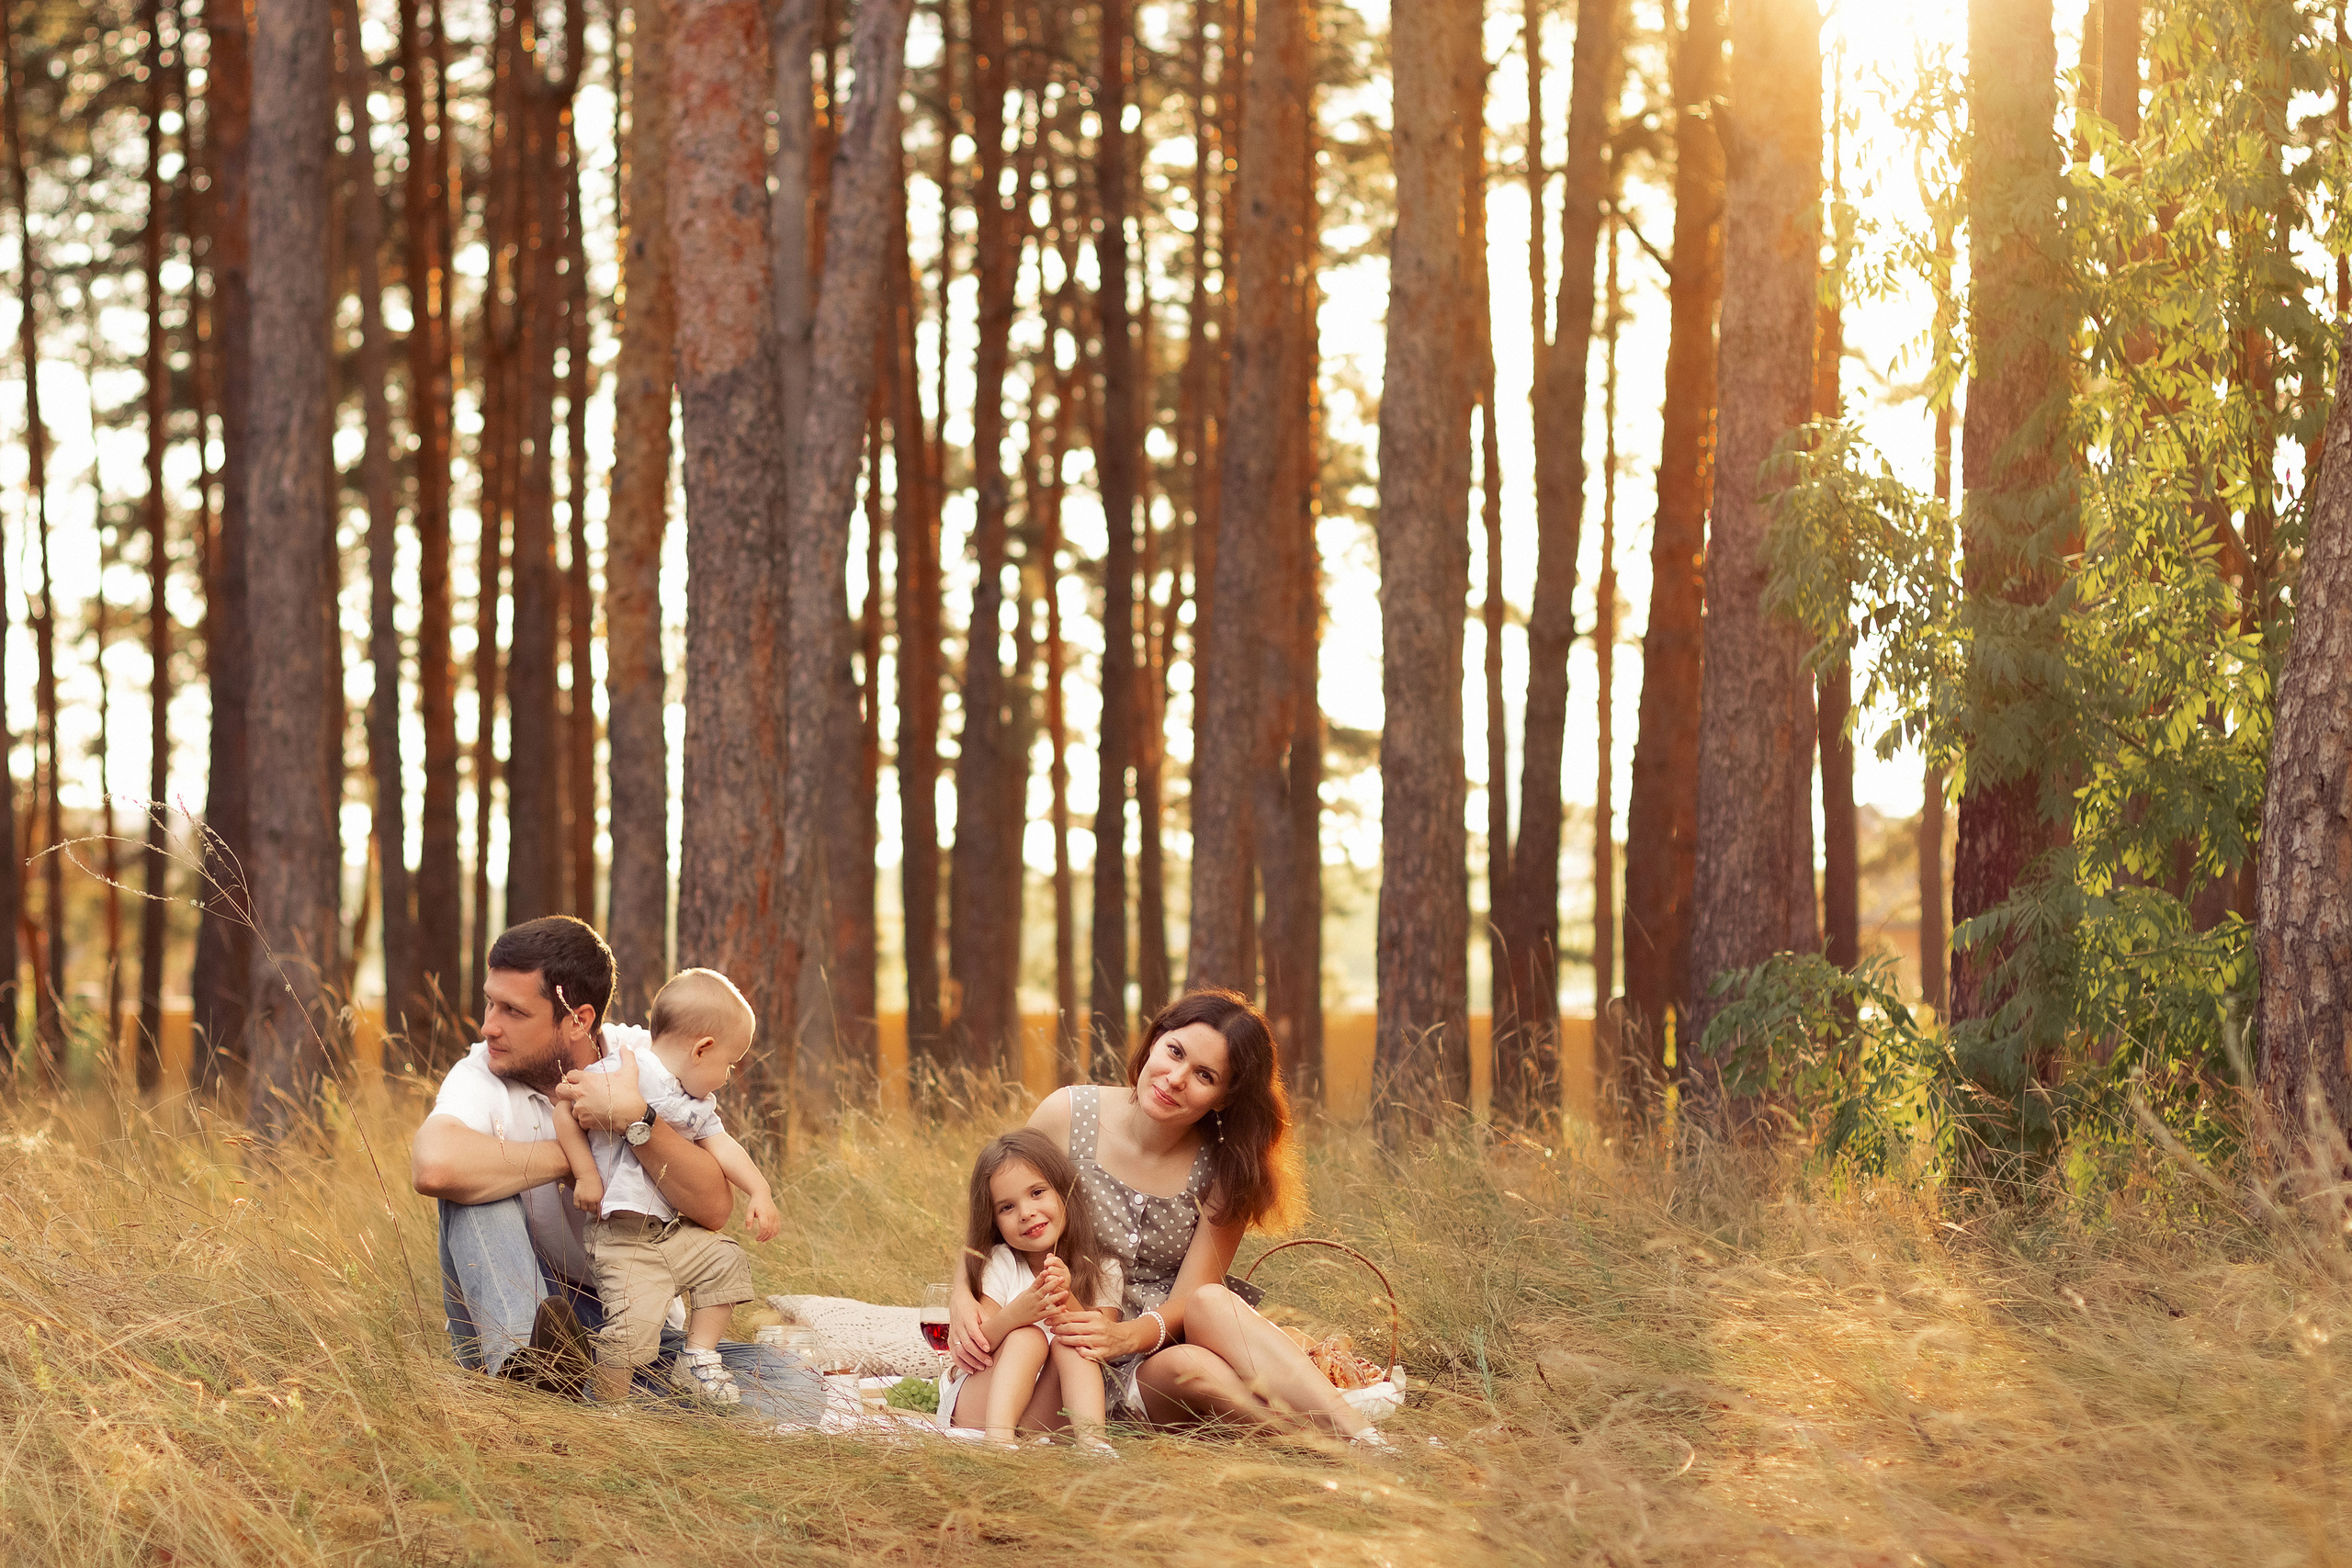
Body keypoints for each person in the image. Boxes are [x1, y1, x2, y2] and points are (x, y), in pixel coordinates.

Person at [409, 916, 819, 1422]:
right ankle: (532, 1367)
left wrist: (638, 1119)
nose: (489, 1024)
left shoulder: (652, 1061)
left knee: (794, 1382)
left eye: (513, 1010)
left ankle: (582, 1403)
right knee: (470, 1193)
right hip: (521, 1307)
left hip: (632, 1319)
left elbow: (713, 1207)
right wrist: (585, 1154)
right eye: (491, 1002)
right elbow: (433, 1167)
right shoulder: (482, 1070)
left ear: (578, 1020)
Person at [945, 989, 1386, 1444]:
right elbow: (995, 1216)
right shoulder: (1068, 1114)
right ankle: (1319, 1444)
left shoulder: (1226, 1168)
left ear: (1223, 1098)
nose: (1176, 1078)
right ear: (1155, 1040)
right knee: (1190, 1368)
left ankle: (1363, 1440)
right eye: (1175, 1052)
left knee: (1208, 1312)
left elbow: (1192, 1299)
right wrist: (961, 1294)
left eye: (1205, 1075)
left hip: (1151, 1362)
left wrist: (1125, 1338)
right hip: (1063, 1358)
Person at [558, 968, 783, 1405]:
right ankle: (607, 1411)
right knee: (632, 1330)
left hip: (670, 1234)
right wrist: (585, 1174)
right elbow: (564, 1107)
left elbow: (724, 1146)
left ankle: (697, 1357)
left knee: (725, 1260)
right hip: (623, 1241)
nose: (729, 1076)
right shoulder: (627, 1071)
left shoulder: (694, 1101)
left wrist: (761, 1191)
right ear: (703, 1049)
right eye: (730, 1064)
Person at [936, 1129, 1122, 1451]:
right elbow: (977, 1347)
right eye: (1007, 1207)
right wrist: (1016, 1315)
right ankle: (998, 1442)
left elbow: (1102, 1346)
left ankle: (1094, 1447)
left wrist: (1068, 1297)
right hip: (980, 1408)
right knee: (1028, 1337)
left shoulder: (1104, 1270)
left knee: (1072, 1341)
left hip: (1046, 1413)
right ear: (993, 1220)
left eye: (1037, 1192)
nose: (1026, 1213)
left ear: (1065, 1192)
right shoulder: (1002, 1262)